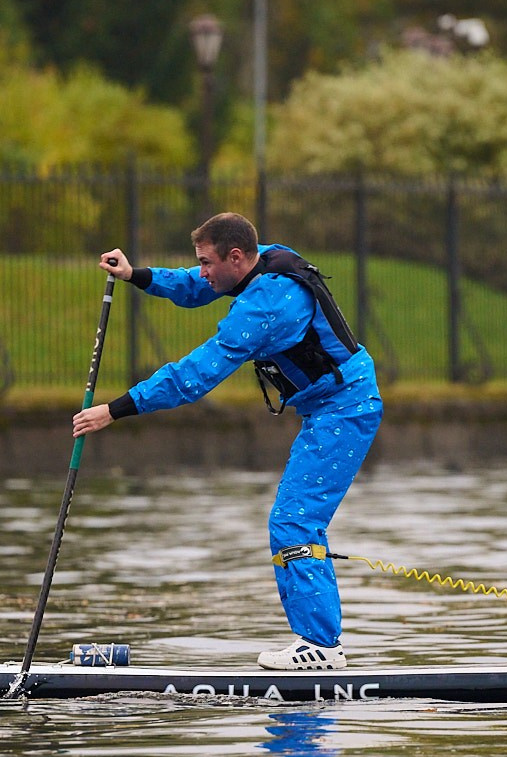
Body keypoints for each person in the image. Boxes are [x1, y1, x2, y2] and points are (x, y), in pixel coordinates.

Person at [73, 213, 383, 670]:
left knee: (294, 521)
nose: (201, 271)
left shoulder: (267, 307)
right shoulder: (262, 261)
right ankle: (319, 642)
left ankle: (322, 647)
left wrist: (114, 410)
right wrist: (136, 275)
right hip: (327, 407)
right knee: (293, 520)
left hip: (346, 407)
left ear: (235, 256)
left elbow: (195, 376)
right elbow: (198, 286)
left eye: (206, 261)